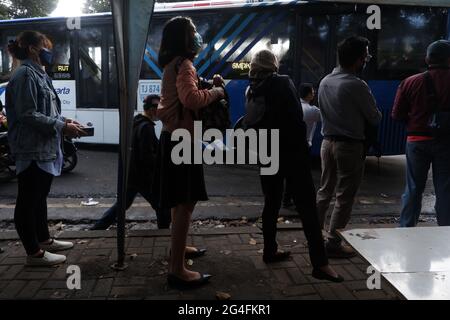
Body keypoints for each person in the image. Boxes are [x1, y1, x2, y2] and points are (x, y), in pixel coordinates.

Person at [246, 49, 343, 282]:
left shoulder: (251, 89)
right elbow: (296, 120)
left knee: (271, 203)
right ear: (273, 65)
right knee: (308, 209)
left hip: (267, 154)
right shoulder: (282, 82)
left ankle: (270, 250)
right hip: (291, 154)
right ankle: (320, 264)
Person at [153, 16, 225, 288]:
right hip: (182, 142)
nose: (197, 36)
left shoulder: (173, 64)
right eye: (193, 32)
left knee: (179, 202)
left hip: (173, 138)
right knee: (185, 204)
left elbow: (186, 96)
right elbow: (190, 99)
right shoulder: (185, 65)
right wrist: (217, 92)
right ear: (183, 38)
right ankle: (177, 270)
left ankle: (177, 249)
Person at [6, 31, 87, 266]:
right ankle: (34, 254)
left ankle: (44, 240)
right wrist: (61, 127)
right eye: (45, 46)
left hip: (45, 147)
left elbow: (47, 111)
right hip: (31, 148)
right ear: (32, 49)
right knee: (28, 200)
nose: (49, 51)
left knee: (40, 197)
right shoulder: (24, 75)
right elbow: (28, 114)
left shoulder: (40, 74)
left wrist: (66, 122)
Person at [316, 36, 382, 258]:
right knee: (344, 197)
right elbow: (374, 117)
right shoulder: (356, 84)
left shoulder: (325, 81)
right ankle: (333, 243)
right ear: (358, 60)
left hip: (327, 144)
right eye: (365, 57)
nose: (366, 61)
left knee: (325, 191)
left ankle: (313, 237)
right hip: (349, 146)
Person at [90, 95, 172, 230]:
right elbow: (147, 156)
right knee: (161, 206)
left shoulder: (137, 122)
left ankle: (97, 228)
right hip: (143, 177)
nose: (161, 113)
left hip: (131, 174)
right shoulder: (146, 127)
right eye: (160, 109)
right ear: (152, 110)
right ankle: (163, 234)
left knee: (122, 205)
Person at [392, 40, 450, 227]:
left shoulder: (410, 82)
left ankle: (406, 229)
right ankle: (446, 230)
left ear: (427, 59)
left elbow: (397, 114)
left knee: (413, 188)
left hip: (417, 141)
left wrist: (415, 122)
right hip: (447, 143)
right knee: (445, 189)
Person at [283, 83, 321, 208]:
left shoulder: (293, 106)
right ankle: (300, 201)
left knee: (291, 174)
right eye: (313, 92)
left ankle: (287, 199)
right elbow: (327, 115)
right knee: (302, 175)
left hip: (289, 144)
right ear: (309, 95)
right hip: (303, 146)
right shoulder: (312, 110)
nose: (314, 94)